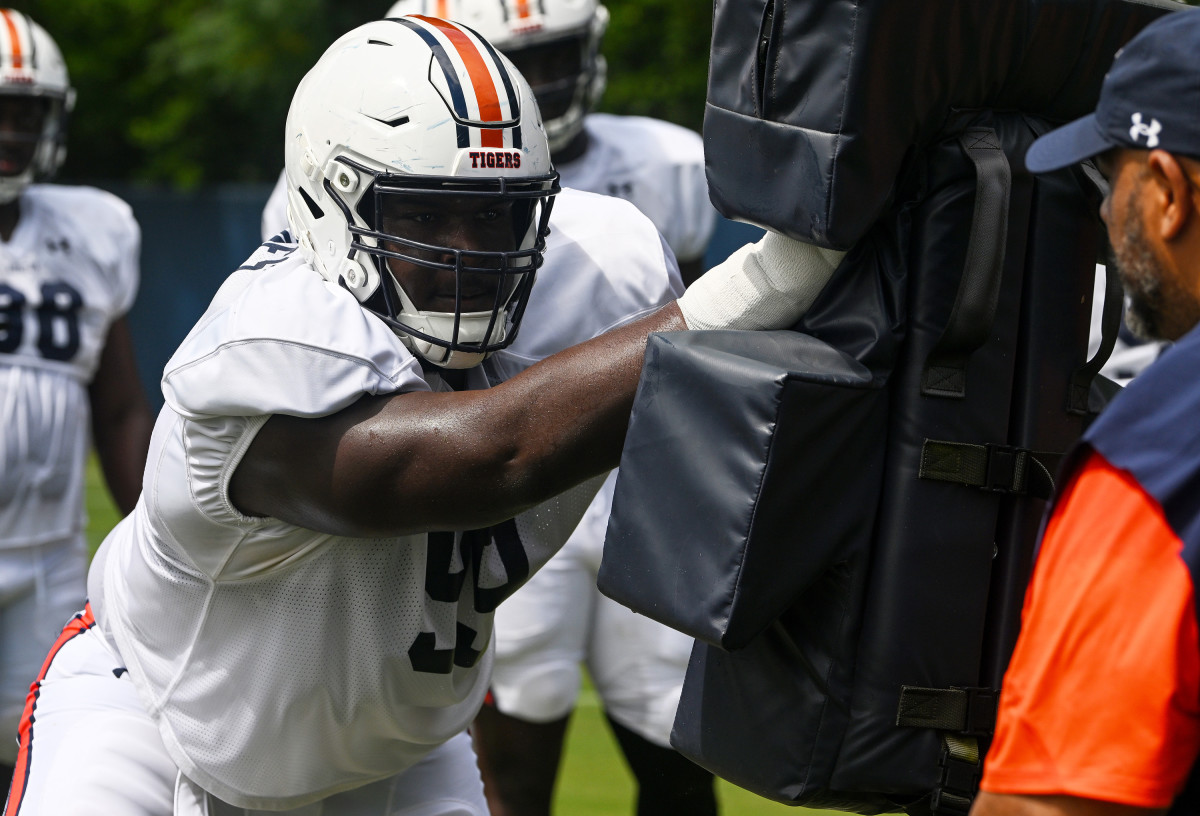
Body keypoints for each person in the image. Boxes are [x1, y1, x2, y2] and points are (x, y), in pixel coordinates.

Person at [8, 16, 845, 815]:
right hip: (157, 726)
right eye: (419, 213)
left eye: (497, 215)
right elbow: (493, 457)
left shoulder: (601, 272)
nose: (467, 251)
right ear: (329, 206)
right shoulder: (267, 348)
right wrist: (764, 284)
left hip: (397, 757)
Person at [366, 4, 719, 814]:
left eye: (560, 55)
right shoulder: (386, 171)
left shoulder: (663, 161)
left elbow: (689, 342)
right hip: (496, 483)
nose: (549, 80)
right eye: (524, 61)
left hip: (643, 489)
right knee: (512, 764)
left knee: (677, 756)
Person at [971, 9, 1200, 816]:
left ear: (1168, 191)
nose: (1104, 216)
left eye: (1112, 178)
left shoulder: (1163, 456)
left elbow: (1049, 802)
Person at [0, 7, 151, 790]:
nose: (12, 132)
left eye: (25, 113)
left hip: (48, 555)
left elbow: (120, 405)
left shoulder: (93, 230)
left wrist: (153, 536)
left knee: (45, 755)